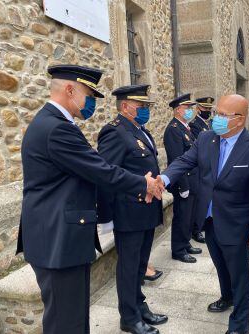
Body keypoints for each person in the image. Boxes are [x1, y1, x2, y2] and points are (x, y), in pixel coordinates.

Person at [16, 65, 161, 334]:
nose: (91, 103)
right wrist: (144, 183)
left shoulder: (53, 123)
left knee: (72, 317)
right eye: (89, 95)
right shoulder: (56, 128)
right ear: (70, 90)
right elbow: (100, 169)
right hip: (57, 239)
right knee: (66, 322)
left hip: (58, 237)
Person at [158, 94, 249, 334]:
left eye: (223, 115)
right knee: (221, 266)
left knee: (240, 274)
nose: (217, 119)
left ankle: (239, 324)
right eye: (216, 113)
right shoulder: (206, 138)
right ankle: (227, 297)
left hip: (238, 225)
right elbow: (184, 161)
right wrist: (163, 178)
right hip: (210, 220)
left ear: (240, 119)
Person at [97, 85, 167, 334]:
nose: (146, 111)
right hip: (128, 211)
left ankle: (138, 305)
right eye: (142, 107)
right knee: (129, 266)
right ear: (125, 107)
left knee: (140, 264)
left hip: (147, 210)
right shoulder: (114, 132)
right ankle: (128, 317)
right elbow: (106, 174)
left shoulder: (140, 130)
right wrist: (106, 218)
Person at [163, 93, 202, 263]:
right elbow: (176, 159)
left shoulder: (185, 128)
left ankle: (185, 243)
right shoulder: (173, 130)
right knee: (182, 216)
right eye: (187, 108)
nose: (190, 111)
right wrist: (183, 185)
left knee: (189, 215)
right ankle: (178, 249)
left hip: (194, 179)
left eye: (191, 108)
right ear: (178, 110)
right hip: (184, 182)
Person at [189, 96, 215, 243]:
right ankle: (196, 229)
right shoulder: (195, 125)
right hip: (200, 168)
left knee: (206, 198)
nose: (208, 111)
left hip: (210, 167)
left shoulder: (210, 123)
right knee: (199, 201)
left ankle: (204, 223)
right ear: (198, 109)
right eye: (205, 109)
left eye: (210, 109)